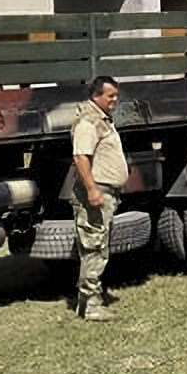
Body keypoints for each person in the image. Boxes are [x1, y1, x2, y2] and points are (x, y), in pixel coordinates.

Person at [69, 74, 125, 321]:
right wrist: (92, 190)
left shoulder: (102, 119)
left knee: (99, 247)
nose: (115, 100)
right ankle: (90, 306)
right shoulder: (88, 122)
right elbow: (81, 158)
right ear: (96, 95)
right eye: (110, 95)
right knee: (94, 248)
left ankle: (92, 300)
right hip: (97, 193)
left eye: (116, 95)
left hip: (105, 192)